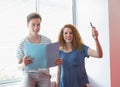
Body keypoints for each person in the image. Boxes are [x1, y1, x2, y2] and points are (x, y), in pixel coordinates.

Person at [16, 12, 62, 87]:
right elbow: (18, 66)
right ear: (27, 25)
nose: (36, 28)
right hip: (29, 74)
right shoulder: (22, 43)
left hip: (44, 74)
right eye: (33, 25)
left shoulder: (47, 40)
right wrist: (24, 64)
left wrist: (56, 62)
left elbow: (52, 61)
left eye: (38, 25)